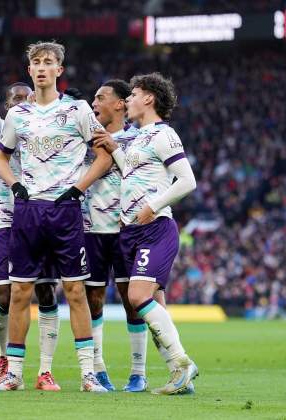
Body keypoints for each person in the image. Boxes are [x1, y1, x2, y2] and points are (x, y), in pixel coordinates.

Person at [0, 41, 112, 392]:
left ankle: (88, 375)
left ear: (60, 70)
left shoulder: (77, 111)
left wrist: (78, 189)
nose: (42, 68)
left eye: (49, 62)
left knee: (75, 291)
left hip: (66, 212)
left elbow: (104, 156)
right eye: (36, 63)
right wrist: (14, 185)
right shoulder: (17, 115)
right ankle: (14, 374)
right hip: (28, 211)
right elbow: (1, 157)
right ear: (29, 70)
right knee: (20, 292)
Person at [93, 72, 199, 395]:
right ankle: (177, 376)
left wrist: (154, 204)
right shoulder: (139, 137)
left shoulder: (164, 135)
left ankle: (183, 363)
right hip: (133, 231)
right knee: (155, 307)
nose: (129, 100)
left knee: (138, 298)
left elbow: (187, 180)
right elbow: (132, 173)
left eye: (134, 94)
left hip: (155, 228)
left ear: (149, 98)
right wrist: (114, 148)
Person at [0, 39, 62, 391]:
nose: (20, 102)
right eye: (13, 98)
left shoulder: (38, 126)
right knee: (5, 296)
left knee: (46, 294)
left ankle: (44, 370)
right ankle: (4, 357)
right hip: (7, 222)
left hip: (41, 218)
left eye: (24, 97)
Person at [82, 79, 145, 391]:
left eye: (100, 97)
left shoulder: (136, 138)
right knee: (92, 299)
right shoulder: (84, 139)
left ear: (120, 104)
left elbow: (135, 172)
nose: (94, 103)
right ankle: (97, 368)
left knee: (130, 300)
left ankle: (138, 372)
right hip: (91, 228)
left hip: (126, 228)